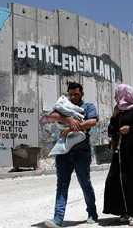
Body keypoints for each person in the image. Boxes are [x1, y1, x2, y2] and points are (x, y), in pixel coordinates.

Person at [45, 82, 99, 228]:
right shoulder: (63, 105)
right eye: (71, 94)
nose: (73, 97)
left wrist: (72, 128)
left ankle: (92, 213)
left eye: (76, 94)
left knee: (84, 182)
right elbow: (50, 117)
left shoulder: (88, 107)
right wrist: (68, 119)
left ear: (81, 94)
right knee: (62, 184)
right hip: (64, 151)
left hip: (81, 151)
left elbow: (92, 121)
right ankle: (57, 219)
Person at [103, 84, 133, 226]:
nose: (115, 97)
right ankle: (123, 212)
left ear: (125, 94)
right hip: (119, 151)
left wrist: (130, 129)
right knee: (115, 180)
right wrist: (113, 117)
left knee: (130, 180)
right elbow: (111, 130)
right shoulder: (118, 110)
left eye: (117, 94)